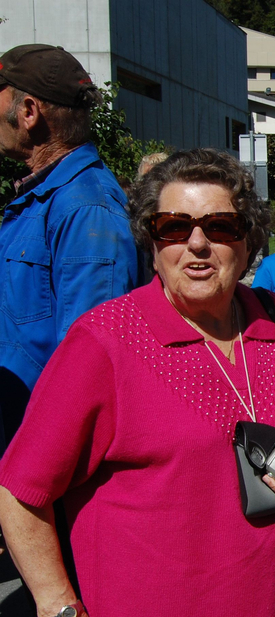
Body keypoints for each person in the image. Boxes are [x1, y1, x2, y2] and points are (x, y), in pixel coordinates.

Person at [0, 149, 275, 617]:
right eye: (174, 227)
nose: (197, 243)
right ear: (151, 240)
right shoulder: (104, 341)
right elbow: (19, 492)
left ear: (247, 240)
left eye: (220, 226)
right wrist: (58, 614)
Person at [0, 44, 140, 452]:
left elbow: (90, 366)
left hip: (42, 454)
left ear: (28, 111)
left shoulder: (86, 210)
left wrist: (41, 468)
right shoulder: (44, 198)